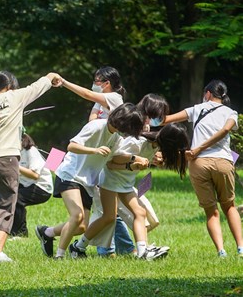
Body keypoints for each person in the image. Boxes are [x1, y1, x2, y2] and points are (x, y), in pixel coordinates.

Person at [0, 70, 62, 262]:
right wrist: (50, 76)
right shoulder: (14, 96)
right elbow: (37, 88)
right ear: (11, 85)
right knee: (6, 204)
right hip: (5, 158)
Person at [35, 103, 144, 259]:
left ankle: (47, 232)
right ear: (124, 122)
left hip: (87, 182)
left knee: (81, 227)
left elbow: (114, 159)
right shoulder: (96, 126)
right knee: (77, 215)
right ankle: (59, 256)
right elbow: (71, 146)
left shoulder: (116, 138)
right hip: (70, 174)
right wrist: (94, 150)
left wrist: (134, 159)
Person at [69, 123, 189, 260]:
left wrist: (153, 161)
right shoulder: (138, 142)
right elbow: (112, 161)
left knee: (140, 212)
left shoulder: (155, 146)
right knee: (109, 217)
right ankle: (78, 247)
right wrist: (134, 162)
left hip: (125, 183)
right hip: (110, 180)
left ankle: (143, 251)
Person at [164, 79, 243, 258]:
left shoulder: (197, 109)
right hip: (222, 161)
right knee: (229, 206)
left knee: (211, 211)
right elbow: (225, 131)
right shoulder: (231, 113)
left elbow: (167, 120)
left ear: (207, 93)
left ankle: (221, 251)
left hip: (198, 162)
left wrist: (147, 121)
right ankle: (241, 249)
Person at [10, 133, 53, 237]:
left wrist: (16, 166)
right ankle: (9, 231)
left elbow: (35, 175)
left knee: (17, 199)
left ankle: (20, 234)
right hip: (27, 184)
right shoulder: (16, 153)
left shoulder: (31, 151)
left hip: (42, 187)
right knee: (9, 196)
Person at [60, 66, 126, 122]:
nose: (94, 83)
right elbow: (92, 121)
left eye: (97, 81)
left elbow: (87, 94)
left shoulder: (114, 97)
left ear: (107, 83)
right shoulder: (100, 100)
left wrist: (63, 82)